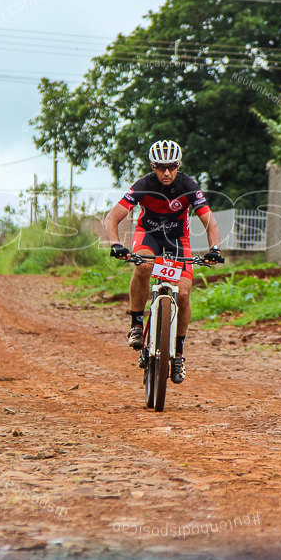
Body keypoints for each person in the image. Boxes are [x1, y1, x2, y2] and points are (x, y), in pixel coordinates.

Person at [103, 139, 223, 384]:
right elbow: (111, 218)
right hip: (148, 236)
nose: (166, 172)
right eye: (160, 167)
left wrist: (214, 248)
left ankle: (178, 354)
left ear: (178, 165)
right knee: (144, 265)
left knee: (185, 293)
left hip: (179, 240)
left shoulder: (188, 185)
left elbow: (210, 221)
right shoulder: (143, 185)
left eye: (171, 167)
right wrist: (116, 244)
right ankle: (137, 324)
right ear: (152, 166)